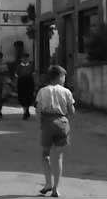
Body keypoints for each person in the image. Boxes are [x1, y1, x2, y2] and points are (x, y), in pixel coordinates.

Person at [35, 65, 75, 198]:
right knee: (58, 157)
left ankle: (48, 183)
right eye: (64, 76)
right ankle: (56, 189)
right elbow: (71, 111)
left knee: (45, 155)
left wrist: (41, 124)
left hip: (47, 122)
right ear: (58, 77)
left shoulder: (42, 91)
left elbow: (38, 110)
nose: (64, 79)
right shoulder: (66, 91)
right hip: (62, 123)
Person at [14, 52, 37, 120]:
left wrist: (35, 84)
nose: (25, 59)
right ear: (21, 59)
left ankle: (26, 110)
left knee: (28, 97)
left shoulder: (31, 66)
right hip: (21, 83)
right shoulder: (19, 66)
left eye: (26, 58)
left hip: (29, 83)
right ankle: (25, 111)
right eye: (23, 58)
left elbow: (34, 75)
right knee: (22, 97)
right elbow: (16, 75)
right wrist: (15, 83)